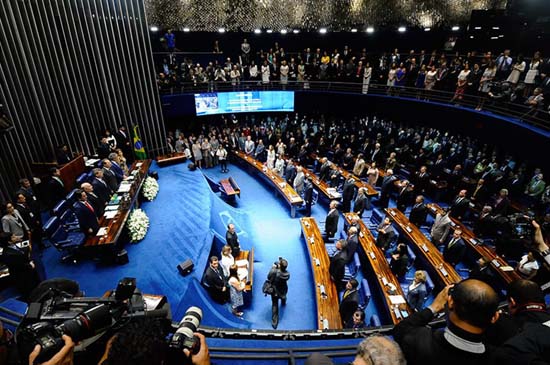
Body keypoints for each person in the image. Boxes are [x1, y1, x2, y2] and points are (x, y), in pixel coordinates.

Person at [393, 280, 500, 365]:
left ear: (450, 303)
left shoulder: (419, 341)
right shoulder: (500, 358)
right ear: (495, 317)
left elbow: (400, 330)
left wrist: (433, 307)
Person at [268, 257, 290, 329]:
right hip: (283, 289)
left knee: (275, 305)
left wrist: (273, 268)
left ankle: (275, 322)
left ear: (279, 266)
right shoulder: (287, 274)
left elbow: (268, 277)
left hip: (275, 291)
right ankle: (283, 302)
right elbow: (281, 270)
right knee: (283, 297)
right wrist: (280, 263)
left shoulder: (274, 272)